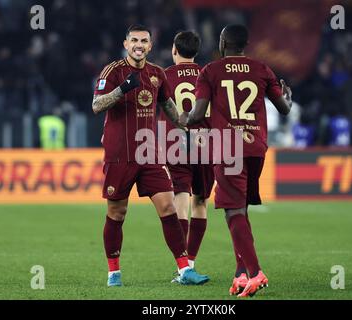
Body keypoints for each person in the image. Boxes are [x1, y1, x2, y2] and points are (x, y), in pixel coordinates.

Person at [92, 24, 209, 287]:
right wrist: (122, 89)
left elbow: (170, 108)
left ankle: (184, 270)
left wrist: (190, 127)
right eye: (134, 40)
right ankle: (114, 273)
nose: (139, 45)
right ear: (125, 44)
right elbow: (96, 105)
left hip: (149, 154)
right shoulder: (113, 71)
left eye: (144, 41)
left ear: (150, 45)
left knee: (168, 206)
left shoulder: (157, 73)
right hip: (120, 154)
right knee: (117, 212)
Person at [181, 24, 292, 297]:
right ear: (245, 44)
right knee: (240, 209)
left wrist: (181, 119)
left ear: (222, 42)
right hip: (256, 148)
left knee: (233, 211)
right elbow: (284, 108)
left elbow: (198, 114)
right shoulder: (262, 69)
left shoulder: (210, 71)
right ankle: (240, 273)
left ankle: (255, 272)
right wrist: (287, 98)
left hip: (228, 148)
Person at [159, 31, 214, 281]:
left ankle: (183, 266)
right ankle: (190, 261)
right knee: (200, 202)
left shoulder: (165, 75)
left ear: (174, 50)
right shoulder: (208, 75)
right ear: (197, 51)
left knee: (180, 199)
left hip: (176, 143)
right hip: (207, 143)